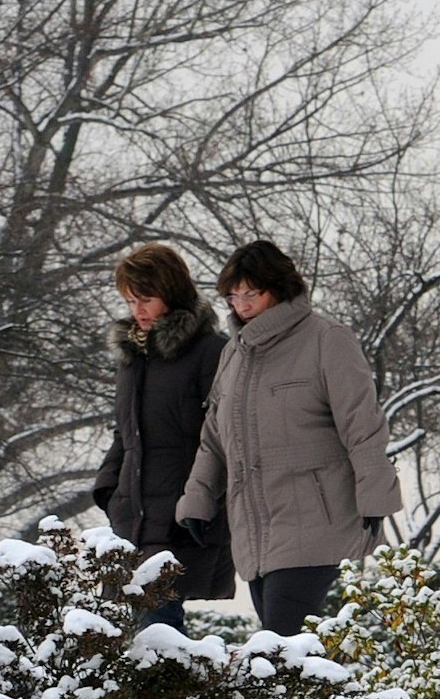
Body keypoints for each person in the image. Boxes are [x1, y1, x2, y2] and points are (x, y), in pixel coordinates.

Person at [176, 239, 401, 635]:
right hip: (256, 531)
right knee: (287, 657)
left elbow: (362, 424)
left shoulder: (326, 339)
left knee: (280, 650)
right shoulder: (234, 355)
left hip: (319, 522)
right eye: (233, 296)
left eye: (251, 294)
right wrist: (197, 499)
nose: (241, 306)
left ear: (279, 288)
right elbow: (214, 438)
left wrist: (375, 495)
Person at [92, 243, 235, 633]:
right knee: (123, 634)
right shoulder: (132, 358)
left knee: (159, 630)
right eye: (130, 300)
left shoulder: (211, 353)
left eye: (146, 299)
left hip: (182, 516)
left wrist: (202, 503)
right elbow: (126, 433)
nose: (137, 310)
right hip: (131, 517)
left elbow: (225, 434)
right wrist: (108, 488)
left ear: (171, 294)